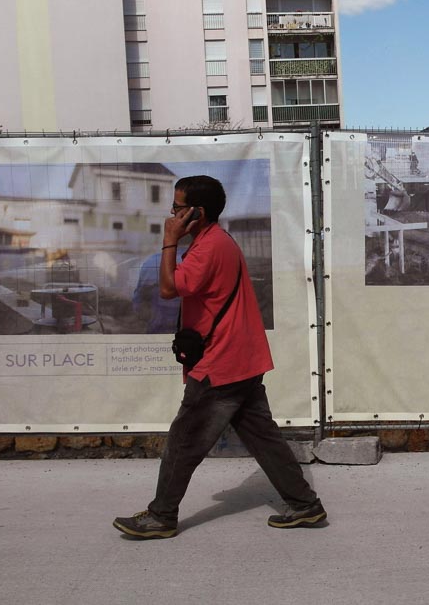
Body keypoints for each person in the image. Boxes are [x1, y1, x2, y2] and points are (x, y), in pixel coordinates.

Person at [114, 175, 325, 539]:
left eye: (178, 208)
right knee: (263, 438)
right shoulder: (212, 242)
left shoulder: (209, 247)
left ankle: (161, 516)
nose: (172, 214)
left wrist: (168, 240)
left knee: (183, 442)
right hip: (240, 357)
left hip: (221, 364)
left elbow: (168, 288)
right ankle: (305, 505)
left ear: (198, 212)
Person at [131, 249, 183, 333]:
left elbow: (138, 306)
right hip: (189, 338)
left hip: (156, 336)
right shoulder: (199, 262)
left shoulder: (151, 262)